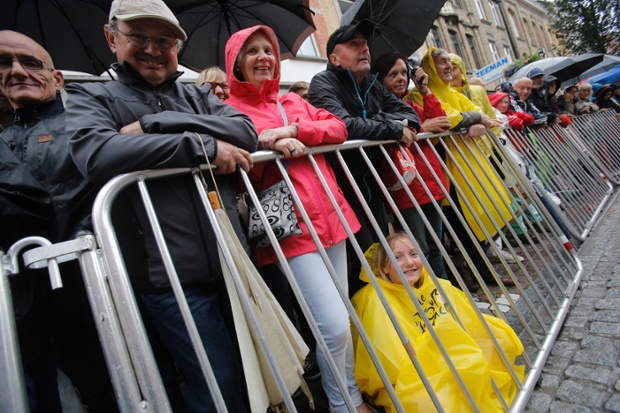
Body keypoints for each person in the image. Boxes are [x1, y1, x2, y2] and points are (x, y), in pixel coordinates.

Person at [65, 0, 258, 411]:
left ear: (178, 48)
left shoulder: (194, 94)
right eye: (139, 37)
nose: (153, 49)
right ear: (111, 38)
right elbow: (96, 152)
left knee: (253, 374)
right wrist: (201, 145)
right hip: (169, 278)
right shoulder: (90, 94)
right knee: (218, 387)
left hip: (230, 264)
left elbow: (245, 130)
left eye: (165, 41)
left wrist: (160, 124)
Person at [224, 25, 373, 413]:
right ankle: (341, 404)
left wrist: (294, 129)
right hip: (289, 228)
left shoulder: (292, 101)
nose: (263, 58)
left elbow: (338, 128)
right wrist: (265, 139)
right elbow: (243, 167)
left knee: (343, 318)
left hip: (330, 216)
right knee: (333, 326)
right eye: (252, 51)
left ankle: (351, 397)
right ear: (236, 63)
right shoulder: (230, 111)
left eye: (268, 50)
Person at [0, 30, 117, 412]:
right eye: (4, 63)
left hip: (86, 282)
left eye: (30, 62)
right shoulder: (5, 135)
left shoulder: (85, 125)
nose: (17, 71)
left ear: (57, 78)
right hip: (23, 296)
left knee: (110, 383)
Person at [351, 232, 525, 412]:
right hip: (414, 372)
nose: (409, 263)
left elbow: (466, 318)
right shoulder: (376, 300)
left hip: (450, 351)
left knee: (497, 339)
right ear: (384, 268)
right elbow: (390, 358)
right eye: (398, 257)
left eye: (413, 254)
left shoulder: (432, 284)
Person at [308, 20, 421, 294]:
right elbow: (343, 127)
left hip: (374, 187)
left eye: (365, 44)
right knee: (360, 266)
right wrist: (391, 128)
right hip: (341, 191)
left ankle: (391, 319)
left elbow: (412, 117)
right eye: (354, 44)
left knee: (382, 256)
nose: (364, 49)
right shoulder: (323, 83)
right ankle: (366, 325)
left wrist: (376, 120)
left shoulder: (372, 82)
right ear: (334, 58)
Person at [412, 47, 516, 287]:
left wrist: (479, 119)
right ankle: (471, 276)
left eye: (450, 61)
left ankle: (480, 273)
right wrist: (476, 119)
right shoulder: (418, 95)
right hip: (444, 168)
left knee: (472, 222)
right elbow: (450, 118)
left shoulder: (453, 91)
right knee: (456, 226)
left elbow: (477, 110)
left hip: (464, 166)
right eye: (441, 62)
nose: (448, 66)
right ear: (429, 69)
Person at [371, 51, 451, 280]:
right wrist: (424, 128)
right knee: (418, 251)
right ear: (380, 80)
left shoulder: (409, 104)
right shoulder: (379, 109)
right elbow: (399, 138)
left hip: (430, 183)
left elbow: (442, 121)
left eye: (403, 73)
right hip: (408, 190)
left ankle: (445, 294)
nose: (400, 78)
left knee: (436, 246)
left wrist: (425, 90)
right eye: (392, 74)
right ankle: (430, 298)